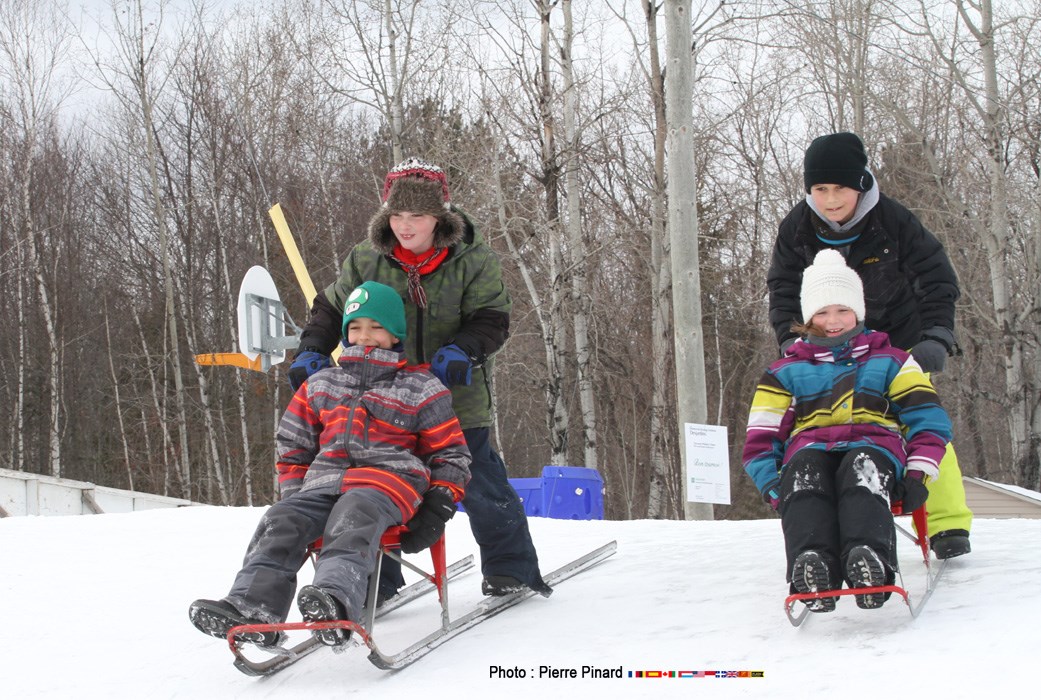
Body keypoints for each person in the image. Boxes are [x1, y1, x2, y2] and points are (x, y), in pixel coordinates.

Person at [287, 158, 552, 599]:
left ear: (440, 218)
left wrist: (464, 348)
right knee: (368, 484)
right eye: (397, 215)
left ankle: (511, 568)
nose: (405, 227)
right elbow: (333, 307)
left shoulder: (474, 260)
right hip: (379, 397)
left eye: (418, 217)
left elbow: (493, 317)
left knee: (481, 484)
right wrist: (312, 348)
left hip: (453, 395)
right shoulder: (367, 258)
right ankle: (377, 580)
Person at [189, 281, 471, 647]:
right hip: (324, 485)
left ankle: (336, 602)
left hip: (387, 487)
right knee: (281, 519)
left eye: (376, 327)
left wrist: (440, 502)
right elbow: (292, 446)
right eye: (355, 327)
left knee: (353, 513)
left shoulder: (420, 387)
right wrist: (295, 495)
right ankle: (253, 607)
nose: (364, 336)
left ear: (395, 334)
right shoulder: (321, 384)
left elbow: (452, 453)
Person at [767, 131, 972, 560]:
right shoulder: (797, 228)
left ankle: (947, 522)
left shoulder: (893, 221)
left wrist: (936, 336)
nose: (830, 199)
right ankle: (840, 513)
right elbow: (783, 288)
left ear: (859, 184)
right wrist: (790, 338)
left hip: (899, 338)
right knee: (833, 426)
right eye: (819, 189)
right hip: (831, 340)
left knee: (921, 418)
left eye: (839, 188)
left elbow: (936, 280)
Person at [744, 249, 953, 612]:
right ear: (809, 317)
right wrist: (775, 488)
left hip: (875, 445)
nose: (833, 320)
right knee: (804, 475)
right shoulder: (784, 373)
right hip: (810, 448)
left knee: (861, 470)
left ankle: (869, 560)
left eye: (842, 310)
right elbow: (760, 440)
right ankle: (813, 563)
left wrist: (919, 475)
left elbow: (929, 421)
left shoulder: (893, 361)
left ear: (858, 311)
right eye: (822, 312)